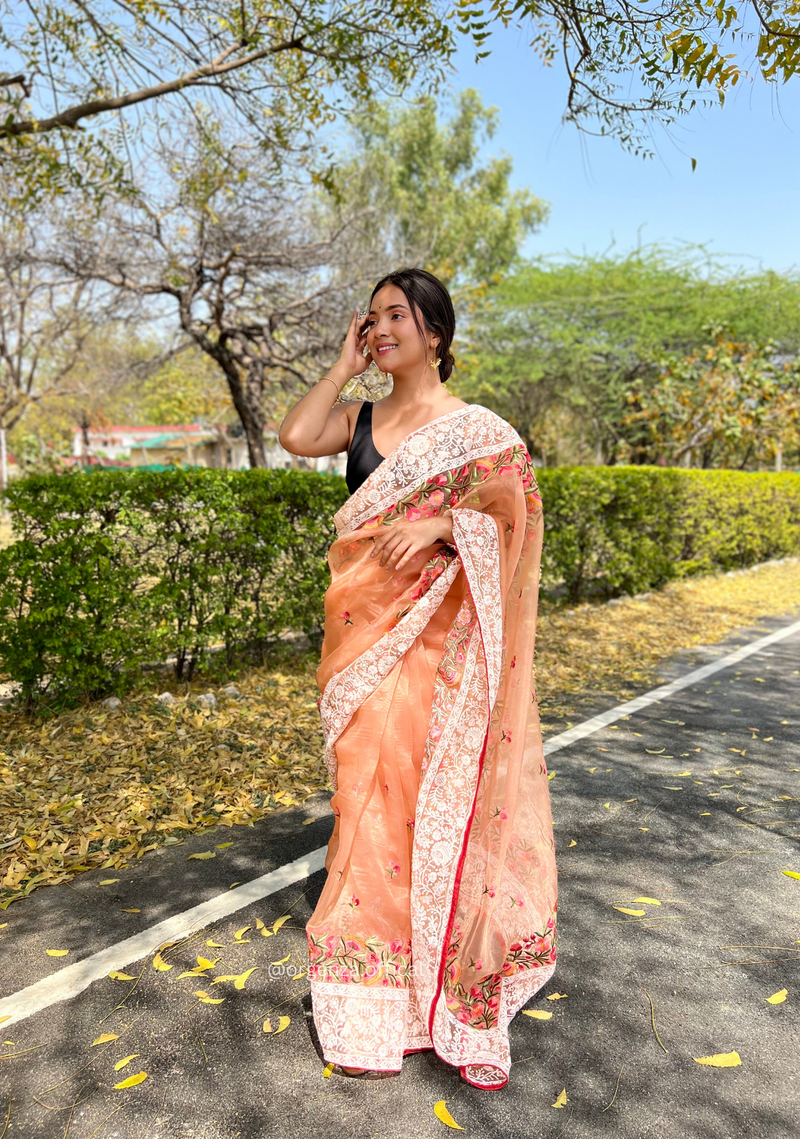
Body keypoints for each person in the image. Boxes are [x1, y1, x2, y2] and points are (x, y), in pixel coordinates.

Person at [278, 267, 558, 1090]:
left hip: (446, 657)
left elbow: (520, 517)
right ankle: (372, 1000)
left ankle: (457, 997)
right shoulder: (360, 417)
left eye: (395, 315)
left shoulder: (477, 431)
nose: (380, 329)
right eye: (371, 319)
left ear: (435, 331)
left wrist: (446, 522)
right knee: (367, 808)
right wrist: (340, 366)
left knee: (440, 811)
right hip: (366, 650)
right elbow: (296, 436)